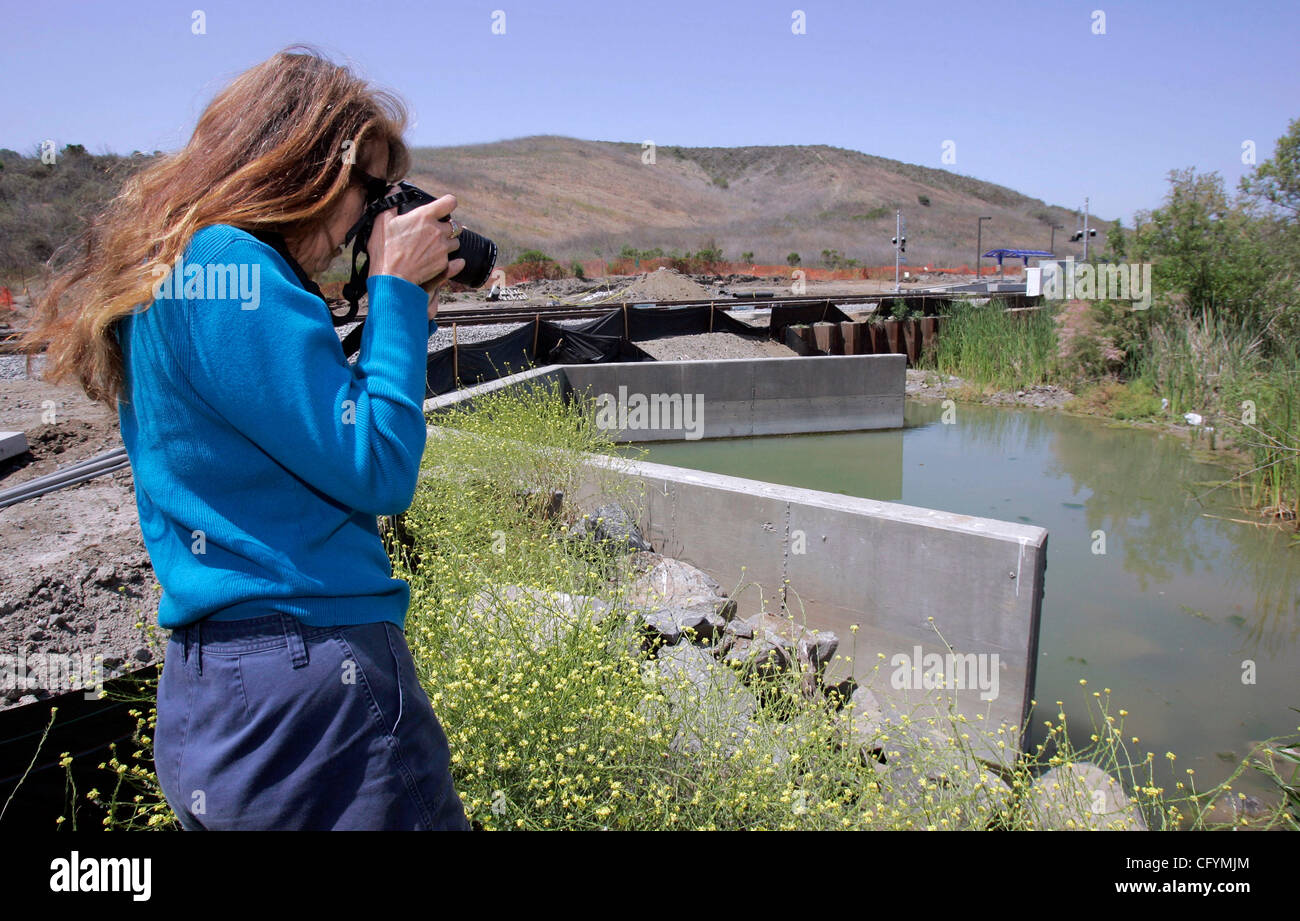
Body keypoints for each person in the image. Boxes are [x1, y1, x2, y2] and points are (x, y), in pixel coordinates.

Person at [24, 46, 472, 830]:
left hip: (214, 688)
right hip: (314, 685)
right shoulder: (234, 265)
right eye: (369, 191)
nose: (366, 219)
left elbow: (296, 431)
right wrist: (397, 298)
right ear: (311, 165)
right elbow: (377, 464)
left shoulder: (177, 268)